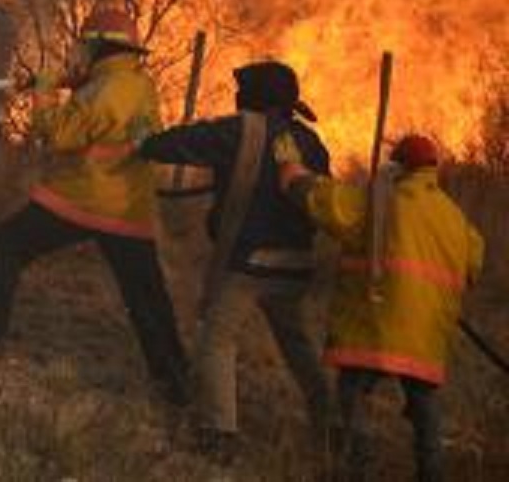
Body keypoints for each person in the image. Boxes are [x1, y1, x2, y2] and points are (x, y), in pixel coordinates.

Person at [0, 5, 190, 406]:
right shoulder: (137, 84)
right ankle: (176, 385)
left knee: (7, 245)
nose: (80, 52)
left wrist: (45, 93)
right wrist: (66, 83)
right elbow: (111, 112)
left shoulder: (101, 91)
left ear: (100, 48)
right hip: (129, 208)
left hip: (82, 197)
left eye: (86, 45)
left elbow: (60, 134)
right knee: (147, 298)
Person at [135, 61, 332, 459]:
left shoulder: (239, 130)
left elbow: (177, 143)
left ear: (255, 96)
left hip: (250, 264)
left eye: (242, 91)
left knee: (216, 341)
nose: (237, 97)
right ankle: (331, 425)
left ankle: (218, 433)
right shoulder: (310, 141)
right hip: (296, 265)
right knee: (298, 346)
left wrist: (144, 141)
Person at [277, 134, 485, 482]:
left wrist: (293, 173)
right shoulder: (455, 218)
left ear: (398, 166)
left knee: (353, 391)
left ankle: (361, 463)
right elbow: (474, 262)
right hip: (426, 335)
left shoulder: (380, 203)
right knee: (424, 406)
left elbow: (328, 204)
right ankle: (432, 473)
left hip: (375, 323)